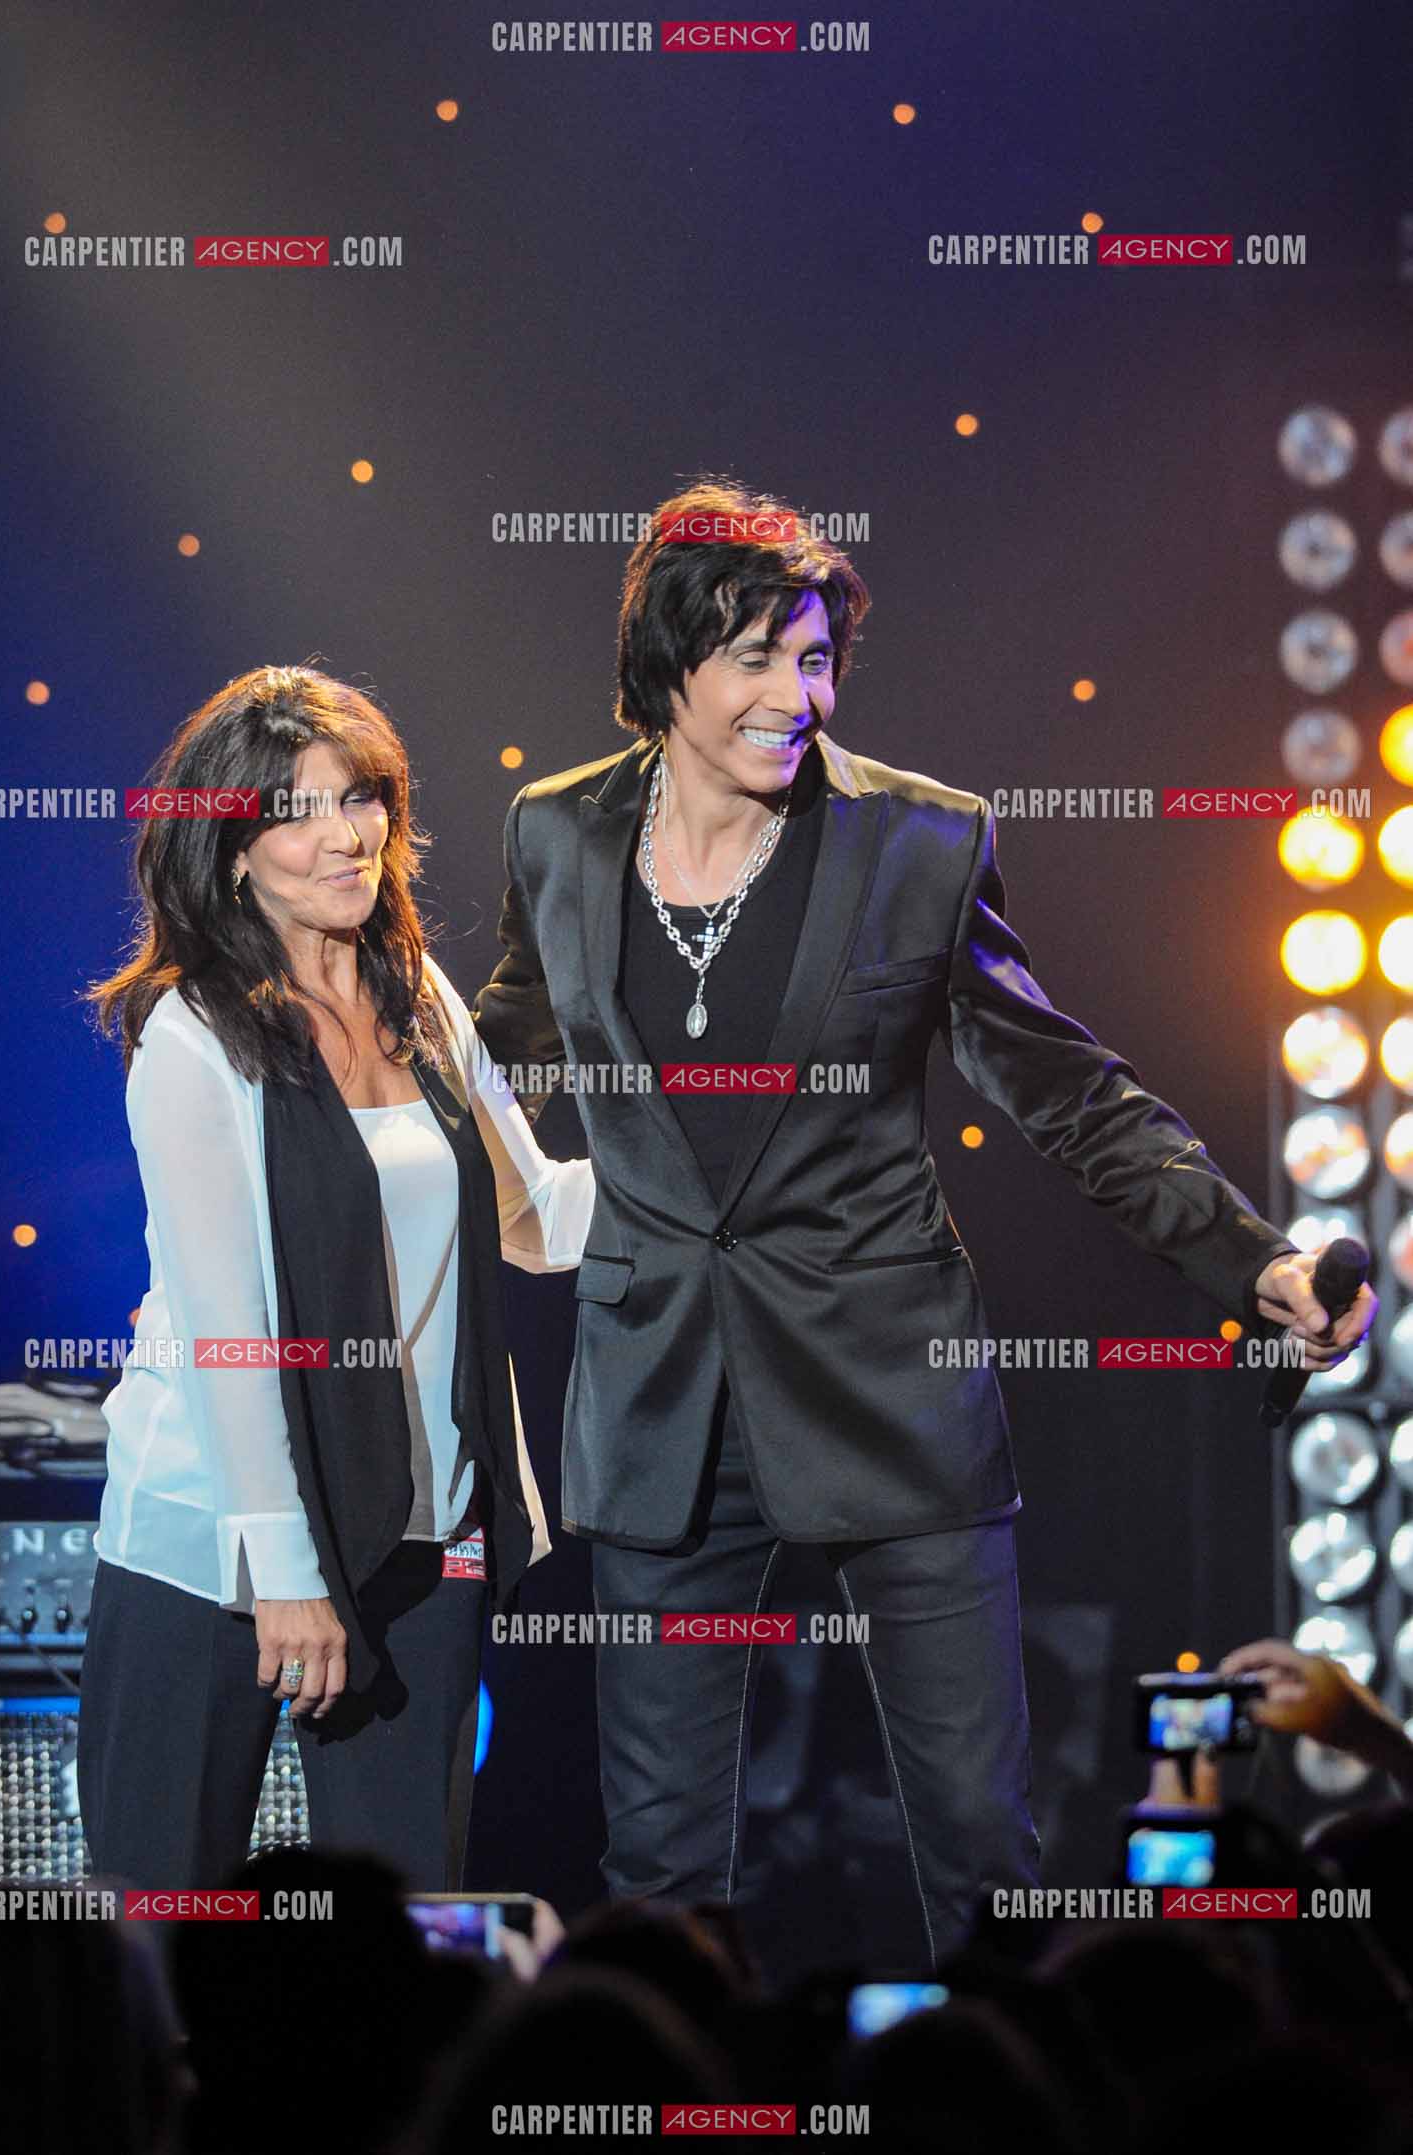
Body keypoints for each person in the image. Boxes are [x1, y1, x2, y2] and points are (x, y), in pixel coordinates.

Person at [470, 477, 1378, 1974]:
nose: (794, 694)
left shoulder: (920, 843)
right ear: (666, 667)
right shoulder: (555, 834)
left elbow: (1068, 1091)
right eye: (756, 657)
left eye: (816, 657)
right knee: (658, 1863)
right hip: (655, 1396)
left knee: (976, 1841)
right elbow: (494, 1063)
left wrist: (1255, 1259)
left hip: (891, 1390)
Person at [78, 664, 593, 1893]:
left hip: (424, 1525)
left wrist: (725, 1167)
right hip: (214, 1538)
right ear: (233, 848)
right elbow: (227, 1326)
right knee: (158, 1924)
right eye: (298, 810)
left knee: (402, 1935)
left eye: (361, 797)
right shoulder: (190, 1031)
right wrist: (288, 1576)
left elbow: (537, 1220)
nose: (344, 834)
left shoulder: (420, 1000)